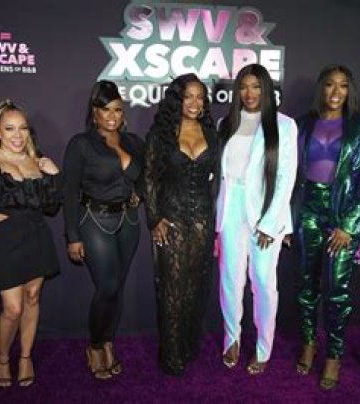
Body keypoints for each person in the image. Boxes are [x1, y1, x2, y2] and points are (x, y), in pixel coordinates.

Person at [292, 65, 360, 389]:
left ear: (349, 90)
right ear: (321, 88)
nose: (336, 91)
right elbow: (289, 173)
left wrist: (349, 225)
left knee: (337, 290)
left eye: (343, 85)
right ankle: (309, 343)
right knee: (306, 285)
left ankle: (334, 355)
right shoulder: (302, 124)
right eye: (330, 84)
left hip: (342, 214)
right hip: (308, 210)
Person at [0, 99, 61, 388]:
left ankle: (25, 357)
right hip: (5, 240)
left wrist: (54, 175)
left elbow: (51, 208)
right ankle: (2, 359)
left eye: (23, 128)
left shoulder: (37, 161)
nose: (17, 135)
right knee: (12, 308)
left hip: (36, 236)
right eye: (10, 128)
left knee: (32, 297)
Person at [216, 63, 297, 375]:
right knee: (229, 279)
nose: (249, 93)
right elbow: (220, 177)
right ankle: (231, 338)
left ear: (267, 90)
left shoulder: (284, 125)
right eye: (243, 87)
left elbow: (286, 178)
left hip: (266, 210)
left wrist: (270, 223)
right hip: (230, 209)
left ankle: (264, 346)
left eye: (256, 87)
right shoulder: (226, 123)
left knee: (263, 282)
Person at [62, 80, 145, 380]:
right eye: (106, 110)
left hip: (128, 222)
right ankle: (95, 345)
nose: (112, 116)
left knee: (118, 287)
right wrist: (72, 236)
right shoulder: (80, 144)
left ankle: (109, 342)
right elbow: (69, 191)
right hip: (94, 220)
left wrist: (119, 150)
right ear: (94, 112)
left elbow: (141, 177)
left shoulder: (133, 142)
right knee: (107, 286)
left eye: (118, 110)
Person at [144, 73, 218, 376]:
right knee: (172, 288)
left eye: (200, 96)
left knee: (194, 287)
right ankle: (170, 353)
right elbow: (149, 178)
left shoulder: (211, 133)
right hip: (170, 218)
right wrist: (154, 218)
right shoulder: (161, 134)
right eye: (188, 96)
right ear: (177, 99)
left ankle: (187, 344)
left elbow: (216, 179)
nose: (195, 102)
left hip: (202, 218)